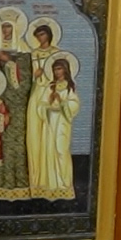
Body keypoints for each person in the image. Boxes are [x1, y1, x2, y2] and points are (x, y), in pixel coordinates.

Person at [27, 52, 79, 198]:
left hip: (62, 123)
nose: (57, 72)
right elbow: (40, 105)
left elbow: (74, 105)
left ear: (66, 70)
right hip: (49, 122)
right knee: (48, 151)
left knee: (61, 151)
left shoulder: (69, 87)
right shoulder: (50, 86)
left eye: (60, 68)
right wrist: (48, 102)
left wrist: (61, 102)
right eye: (55, 69)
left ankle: (63, 185)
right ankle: (49, 187)